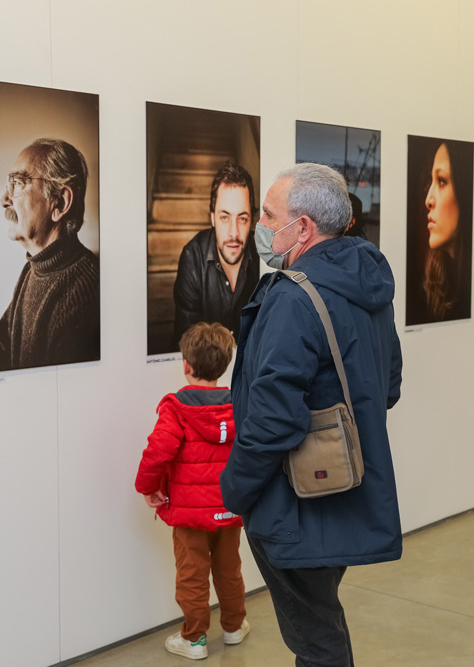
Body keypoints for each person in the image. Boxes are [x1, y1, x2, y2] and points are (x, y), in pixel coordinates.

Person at [220, 163, 403, 666]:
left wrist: (235, 488)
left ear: (302, 228)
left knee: (317, 641)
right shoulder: (367, 285)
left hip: (294, 504)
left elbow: (274, 419)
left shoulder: (292, 299)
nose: (257, 225)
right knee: (319, 625)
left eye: (266, 215)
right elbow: (388, 386)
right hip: (346, 489)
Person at [135, 322, 249, 661]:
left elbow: (157, 451)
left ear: (186, 365)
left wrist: (147, 487)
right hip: (229, 507)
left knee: (192, 574)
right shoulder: (237, 405)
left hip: (188, 512)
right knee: (230, 570)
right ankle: (233, 627)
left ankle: (195, 638)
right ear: (226, 363)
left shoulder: (176, 408)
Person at [0, 138, 99, 372]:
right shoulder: (35, 267)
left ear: (60, 202)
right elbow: (5, 333)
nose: (4, 200)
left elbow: (50, 399)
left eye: (18, 183)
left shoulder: (82, 294)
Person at [173, 163, 260, 344]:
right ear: (212, 217)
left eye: (242, 218)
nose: (234, 233)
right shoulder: (192, 258)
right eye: (225, 217)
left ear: (252, 220)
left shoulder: (264, 256)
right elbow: (186, 343)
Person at [419, 140, 473, 322]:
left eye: (441, 181)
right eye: (431, 181)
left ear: (464, 191)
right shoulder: (432, 285)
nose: (428, 200)